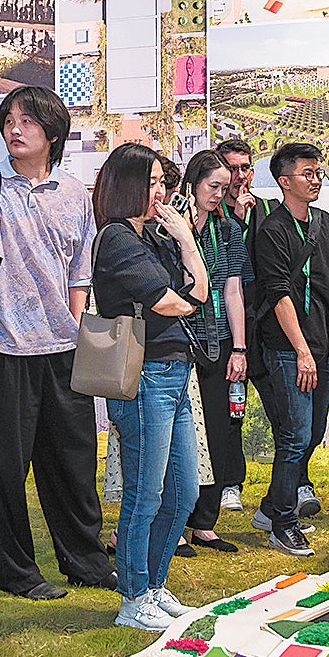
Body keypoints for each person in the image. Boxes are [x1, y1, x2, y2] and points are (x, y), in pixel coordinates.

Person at [0, 86, 113, 600]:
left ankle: (86, 561)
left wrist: (71, 320)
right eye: (9, 119)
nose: (15, 128)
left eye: (26, 120)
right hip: (4, 347)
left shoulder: (74, 193)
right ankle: (15, 571)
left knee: (73, 461)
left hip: (63, 347)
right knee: (6, 465)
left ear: (52, 132)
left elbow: (80, 267)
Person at [89, 144, 210, 630]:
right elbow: (175, 301)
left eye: (164, 182)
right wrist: (187, 250)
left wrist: (184, 240)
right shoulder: (118, 239)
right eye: (153, 181)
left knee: (183, 492)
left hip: (175, 372)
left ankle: (153, 586)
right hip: (145, 376)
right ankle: (133, 599)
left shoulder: (154, 236)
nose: (162, 191)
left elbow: (197, 292)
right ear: (129, 185)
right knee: (145, 493)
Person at [250, 141, 329, 556]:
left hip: (321, 344)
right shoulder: (272, 230)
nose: (316, 178)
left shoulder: (325, 223)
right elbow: (278, 293)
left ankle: (273, 505)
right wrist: (302, 351)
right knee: (294, 436)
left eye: (318, 172)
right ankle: (283, 524)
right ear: (283, 181)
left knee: (313, 434)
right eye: (307, 173)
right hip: (288, 348)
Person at [181, 149, 248, 552]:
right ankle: (179, 522)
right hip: (181, 342)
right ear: (192, 184)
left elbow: (233, 290)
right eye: (213, 186)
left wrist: (238, 348)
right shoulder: (171, 228)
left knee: (221, 433)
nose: (219, 195)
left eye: (224, 188)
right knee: (185, 435)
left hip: (220, 342)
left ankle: (205, 522)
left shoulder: (228, 231)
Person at [214, 136, 261, 511]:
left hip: (259, 325)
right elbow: (231, 272)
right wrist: (238, 222)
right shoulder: (213, 215)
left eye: (244, 168)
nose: (238, 176)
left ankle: (298, 484)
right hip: (223, 327)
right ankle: (230, 481)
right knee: (230, 410)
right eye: (231, 168)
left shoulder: (266, 211)